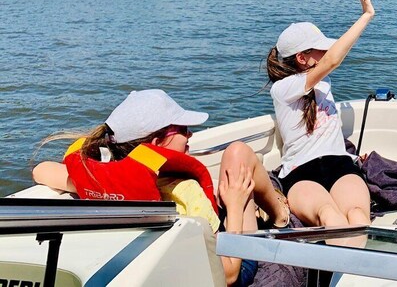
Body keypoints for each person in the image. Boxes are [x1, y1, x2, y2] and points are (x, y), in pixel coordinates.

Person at [32, 89, 289, 287]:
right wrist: (233, 206)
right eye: (184, 130)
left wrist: (89, 183)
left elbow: (40, 170)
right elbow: (229, 275)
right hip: (229, 263)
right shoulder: (183, 195)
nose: (189, 136)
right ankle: (280, 217)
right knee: (239, 153)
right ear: (156, 142)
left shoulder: (112, 180)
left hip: (175, 257)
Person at [266, 0, 374, 228]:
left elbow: (329, 63)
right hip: (301, 171)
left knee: (358, 216)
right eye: (320, 49)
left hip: (339, 163)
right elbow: (333, 60)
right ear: (302, 58)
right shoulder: (283, 89)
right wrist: (366, 15)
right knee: (329, 215)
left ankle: (354, 268)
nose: (326, 52)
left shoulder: (322, 85)